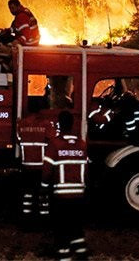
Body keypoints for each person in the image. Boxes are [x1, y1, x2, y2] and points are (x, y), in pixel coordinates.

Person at [42, 111, 89, 260]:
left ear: (59, 125)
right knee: (76, 228)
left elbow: (47, 170)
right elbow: (86, 169)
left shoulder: (55, 144)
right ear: (73, 125)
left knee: (61, 230)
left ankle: (64, 256)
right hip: (79, 196)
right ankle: (82, 255)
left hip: (61, 197)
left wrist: (44, 187)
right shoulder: (82, 145)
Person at [17, 102, 59, 220]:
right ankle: (43, 218)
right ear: (41, 111)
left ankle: (26, 217)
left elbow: (18, 138)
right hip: (41, 166)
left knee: (27, 193)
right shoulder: (45, 124)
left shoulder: (22, 124)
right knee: (43, 193)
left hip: (26, 165)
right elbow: (54, 139)